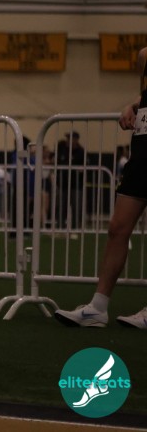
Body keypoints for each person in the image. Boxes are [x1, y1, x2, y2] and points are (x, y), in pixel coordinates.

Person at [54, 46, 147, 329]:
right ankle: (97, 308)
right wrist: (133, 105)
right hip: (142, 155)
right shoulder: (144, 56)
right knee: (117, 228)